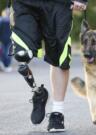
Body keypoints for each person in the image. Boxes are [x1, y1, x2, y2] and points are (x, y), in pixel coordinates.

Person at [10, 0, 87, 132]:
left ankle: (57, 113)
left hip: (59, 4)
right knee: (22, 53)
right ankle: (39, 93)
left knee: (60, 57)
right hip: (25, 3)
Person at [0, 8, 12, 72]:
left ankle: (6, 65)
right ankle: (6, 65)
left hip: (7, 40)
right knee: (6, 53)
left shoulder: (2, 20)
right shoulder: (3, 21)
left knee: (6, 53)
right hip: (6, 40)